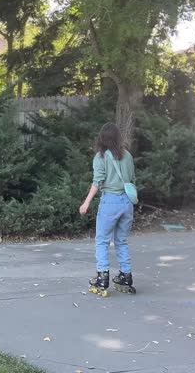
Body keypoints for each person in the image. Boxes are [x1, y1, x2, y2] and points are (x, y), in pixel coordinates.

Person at [79, 122, 137, 295]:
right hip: (127, 203)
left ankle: (102, 276)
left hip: (110, 202)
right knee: (121, 240)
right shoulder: (127, 155)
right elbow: (132, 178)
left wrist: (86, 202)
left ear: (102, 138)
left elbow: (97, 181)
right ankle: (126, 276)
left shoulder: (101, 157)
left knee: (102, 240)